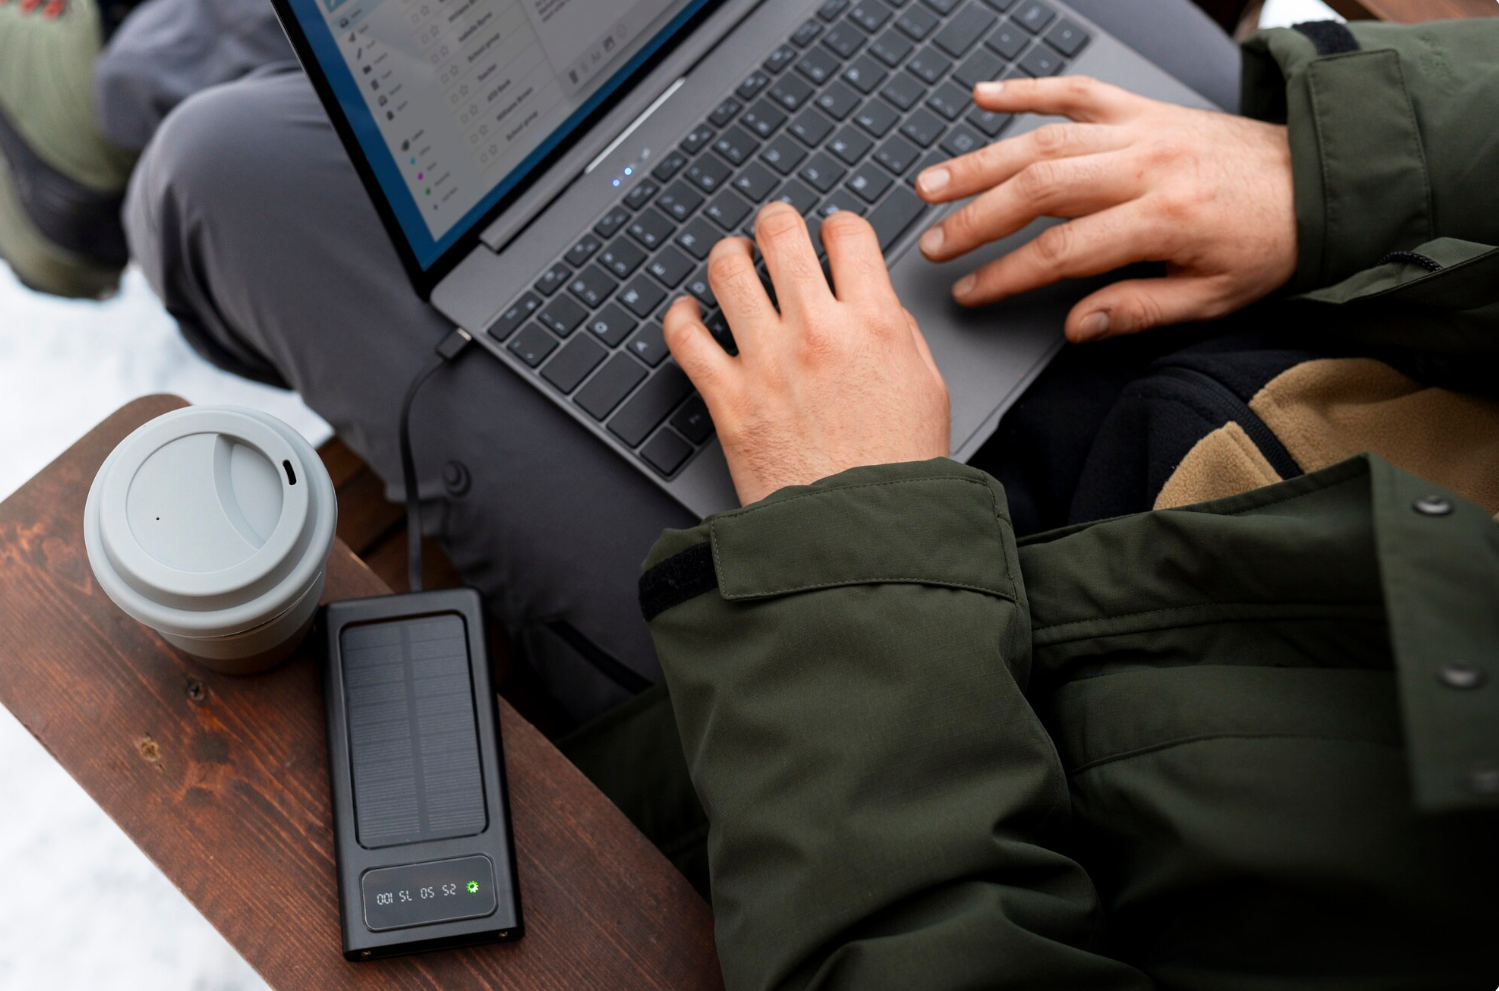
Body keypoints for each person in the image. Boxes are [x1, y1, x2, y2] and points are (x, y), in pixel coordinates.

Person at [3, 0, 1497, 984]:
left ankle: (109, 103)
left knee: (230, 170)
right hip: (1335, 299)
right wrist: (1331, 171)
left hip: (958, 640)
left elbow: (935, 948)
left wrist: (851, 528)